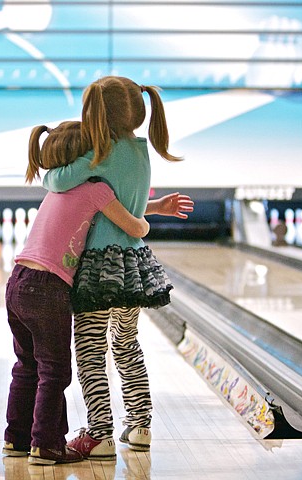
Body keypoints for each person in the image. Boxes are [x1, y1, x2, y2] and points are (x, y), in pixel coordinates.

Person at [41, 76, 193, 460]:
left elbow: (56, 181)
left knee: (90, 348)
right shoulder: (140, 151)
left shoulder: (98, 152)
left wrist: (46, 169)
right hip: (133, 264)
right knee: (127, 345)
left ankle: (100, 431)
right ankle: (140, 425)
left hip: (97, 267)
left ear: (94, 115)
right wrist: (156, 209)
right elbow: (129, 208)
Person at [3, 120, 151, 466]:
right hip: (49, 288)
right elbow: (133, 224)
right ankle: (46, 445)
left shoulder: (56, 188)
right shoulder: (96, 188)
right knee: (55, 371)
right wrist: (145, 222)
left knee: (25, 365)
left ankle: (16, 439)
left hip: (18, 281)